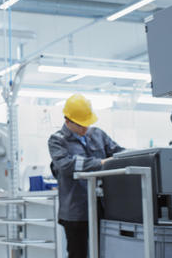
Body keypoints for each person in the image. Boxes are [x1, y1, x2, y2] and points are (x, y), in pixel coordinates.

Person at [48, 93, 124, 258]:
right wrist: (101, 163)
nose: (85, 129)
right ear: (67, 121)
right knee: (78, 254)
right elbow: (66, 165)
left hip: (102, 207)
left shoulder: (98, 134)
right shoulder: (57, 141)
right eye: (80, 125)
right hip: (75, 210)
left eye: (87, 124)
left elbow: (118, 153)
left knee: (104, 251)